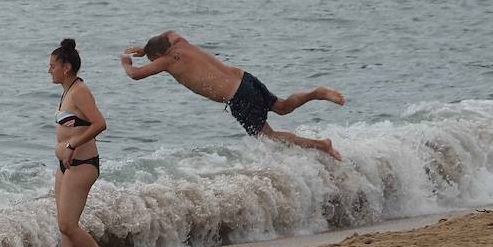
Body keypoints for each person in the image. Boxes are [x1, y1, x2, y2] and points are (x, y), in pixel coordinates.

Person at [120, 30, 345, 160]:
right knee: (283, 106)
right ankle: (316, 93)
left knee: (268, 137)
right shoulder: (179, 41)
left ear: (160, 54)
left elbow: (135, 75)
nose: (155, 63)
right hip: (245, 78)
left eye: (153, 58)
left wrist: (126, 62)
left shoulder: (169, 60)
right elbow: (168, 33)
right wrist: (145, 48)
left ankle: (321, 145)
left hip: (238, 97)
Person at [49, 38, 120, 247]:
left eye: (52, 66)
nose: (49, 70)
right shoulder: (67, 91)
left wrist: (71, 146)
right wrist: (63, 150)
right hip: (65, 165)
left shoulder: (80, 91)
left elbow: (99, 123)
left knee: (67, 224)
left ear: (66, 67)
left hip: (83, 163)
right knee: (65, 226)